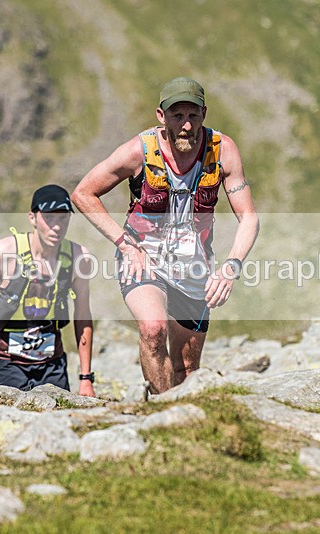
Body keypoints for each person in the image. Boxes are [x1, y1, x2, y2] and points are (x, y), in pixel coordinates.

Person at [72, 77, 259, 394]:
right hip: (143, 259)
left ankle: (181, 419)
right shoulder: (138, 151)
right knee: (153, 329)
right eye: (177, 116)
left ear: (204, 113)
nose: (186, 125)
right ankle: (158, 412)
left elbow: (249, 218)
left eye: (193, 115)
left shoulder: (223, 151)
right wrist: (124, 244)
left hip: (193, 266)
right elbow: (83, 194)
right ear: (161, 116)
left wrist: (231, 268)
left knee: (186, 368)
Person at [0, 184, 95, 396]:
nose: (56, 226)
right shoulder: (4, 252)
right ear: (32, 218)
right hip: (5, 363)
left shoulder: (79, 257)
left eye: (63, 218)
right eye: (48, 218)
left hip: (52, 366)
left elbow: (83, 315)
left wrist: (86, 379)